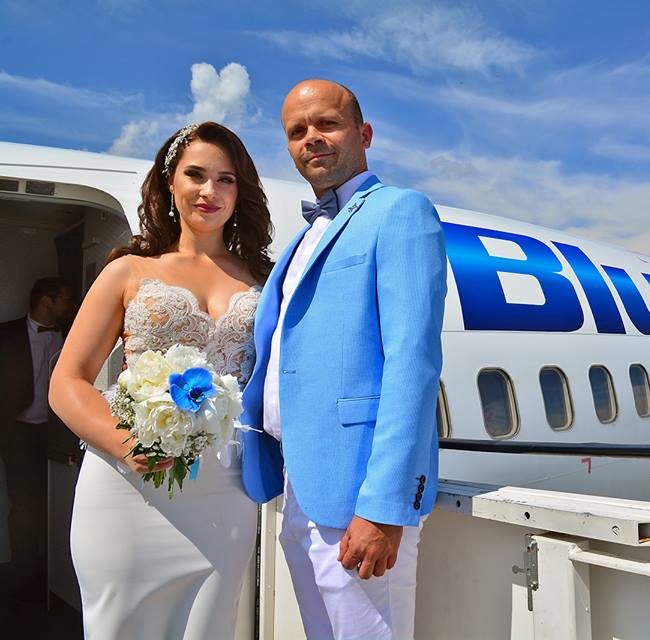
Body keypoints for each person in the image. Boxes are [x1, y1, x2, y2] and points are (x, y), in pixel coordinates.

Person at [49, 121, 272, 639]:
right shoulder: (128, 271)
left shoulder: (265, 281)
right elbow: (67, 381)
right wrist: (127, 445)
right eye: (195, 175)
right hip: (127, 487)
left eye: (226, 179)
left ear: (240, 191)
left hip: (225, 493)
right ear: (170, 182)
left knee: (209, 627)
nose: (210, 190)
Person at [241, 79, 447, 639]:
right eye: (296, 131)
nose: (311, 137)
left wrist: (383, 506)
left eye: (327, 123)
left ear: (365, 133)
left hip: (360, 495)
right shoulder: (299, 239)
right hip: (299, 485)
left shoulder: (401, 211)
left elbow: (413, 364)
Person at [0, 277, 74, 617]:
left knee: (62, 500)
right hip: (19, 433)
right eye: (65, 300)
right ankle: (23, 580)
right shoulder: (7, 335)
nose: (69, 307)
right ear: (47, 301)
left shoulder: (73, 333)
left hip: (61, 432)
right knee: (25, 507)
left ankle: (59, 579)